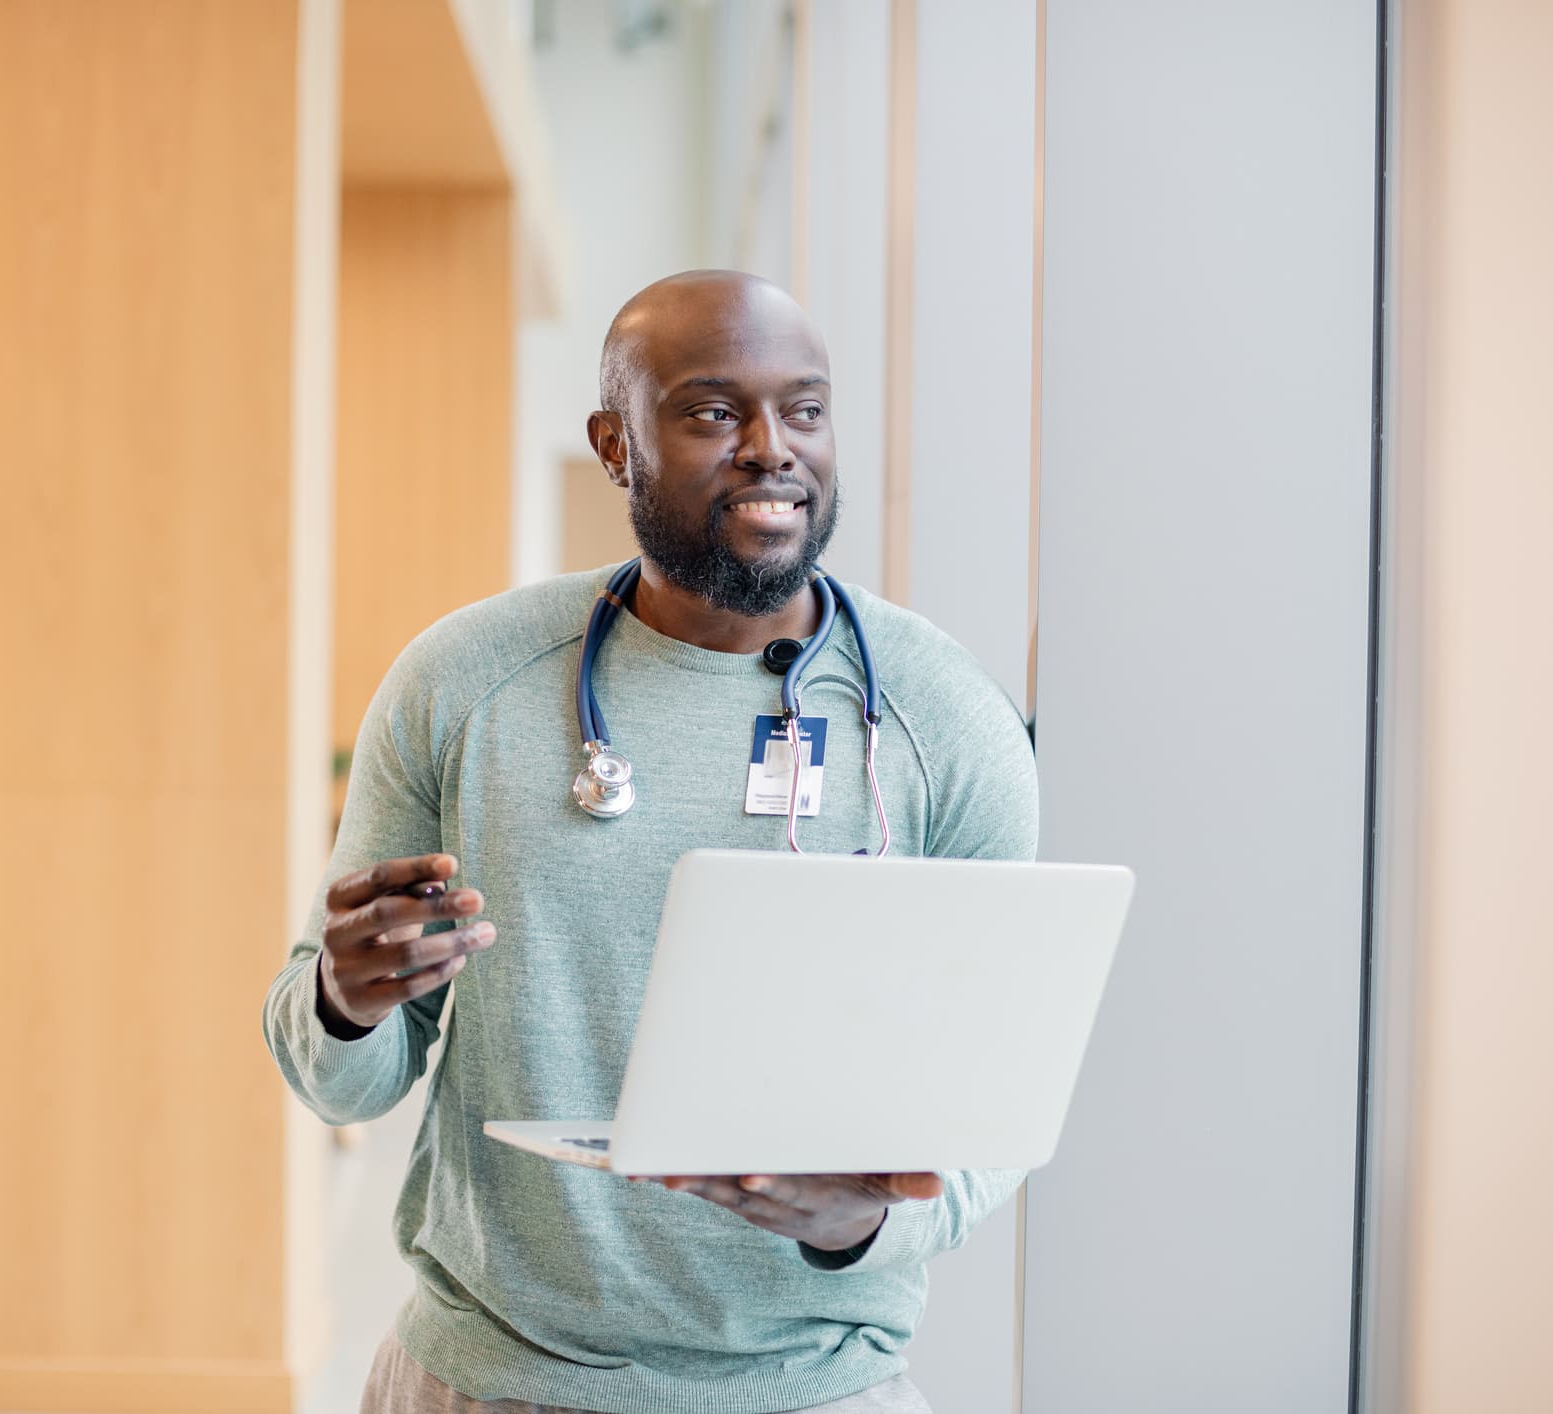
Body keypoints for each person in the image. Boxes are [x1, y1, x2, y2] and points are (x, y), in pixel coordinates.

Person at [263, 270, 1037, 1414]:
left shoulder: (943, 715)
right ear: (615, 445)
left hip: (815, 1390)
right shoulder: (463, 681)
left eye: (805, 410)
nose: (772, 447)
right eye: (713, 412)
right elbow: (338, 1084)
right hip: (489, 1377)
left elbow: (1000, 1090)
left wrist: (868, 1217)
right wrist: (345, 997)